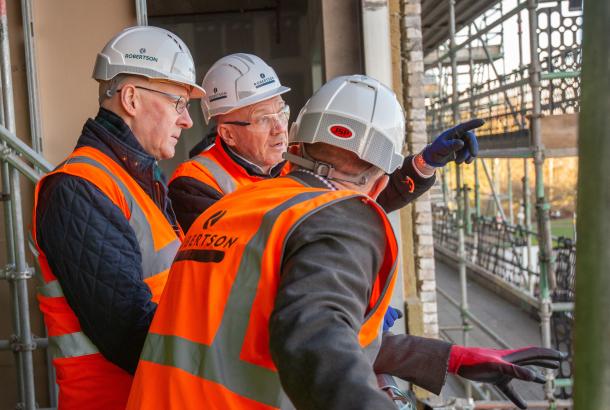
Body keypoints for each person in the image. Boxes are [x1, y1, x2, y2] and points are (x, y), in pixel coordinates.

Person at [126, 75, 562, 410]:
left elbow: (280, 323)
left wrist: (446, 357)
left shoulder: (244, 204)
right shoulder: (341, 216)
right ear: (382, 170)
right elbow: (316, 341)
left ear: (298, 139)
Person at [31, 26, 205, 409]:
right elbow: (130, 329)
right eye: (179, 102)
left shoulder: (138, 181)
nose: (187, 121)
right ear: (130, 98)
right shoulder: (79, 188)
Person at [168, 53, 478, 233]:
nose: (280, 128)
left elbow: (360, 191)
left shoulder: (293, 160)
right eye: (263, 118)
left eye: (282, 111)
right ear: (228, 134)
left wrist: (424, 164)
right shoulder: (194, 184)